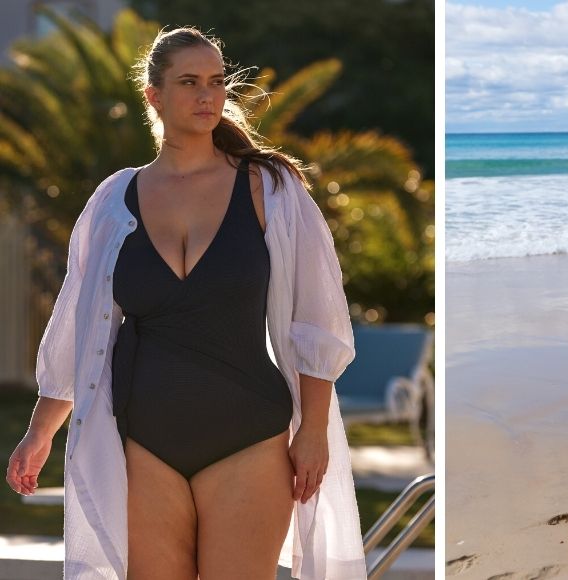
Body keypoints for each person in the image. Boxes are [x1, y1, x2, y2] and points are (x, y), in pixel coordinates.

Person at [5, 27, 366, 579]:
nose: (207, 97)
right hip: (142, 443)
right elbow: (77, 325)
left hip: (248, 436)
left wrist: (313, 429)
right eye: (190, 82)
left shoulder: (270, 189)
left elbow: (315, 320)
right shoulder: (113, 201)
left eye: (217, 83)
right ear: (153, 95)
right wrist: (40, 430)